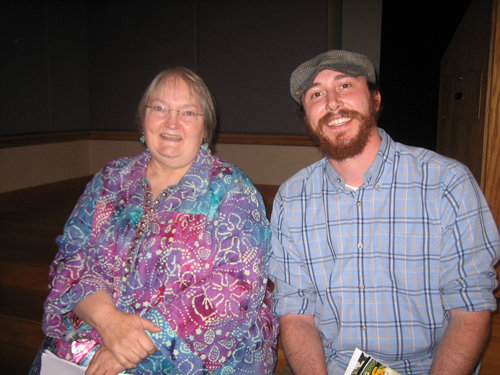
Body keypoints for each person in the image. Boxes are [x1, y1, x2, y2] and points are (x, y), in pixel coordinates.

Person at [29, 66, 278, 374]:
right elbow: (71, 258)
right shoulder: (111, 179)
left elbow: (234, 291)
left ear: (205, 130)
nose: (171, 122)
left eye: (188, 112)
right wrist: (108, 321)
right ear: (143, 119)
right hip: (95, 337)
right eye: (159, 108)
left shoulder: (231, 191)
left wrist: (129, 347)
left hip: (191, 359)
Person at [269, 50, 500, 375]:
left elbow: (470, 308)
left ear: (375, 100)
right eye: (316, 94)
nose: (332, 102)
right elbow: (296, 313)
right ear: (307, 116)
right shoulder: (292, 199)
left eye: (345, 85)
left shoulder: (447, 183)